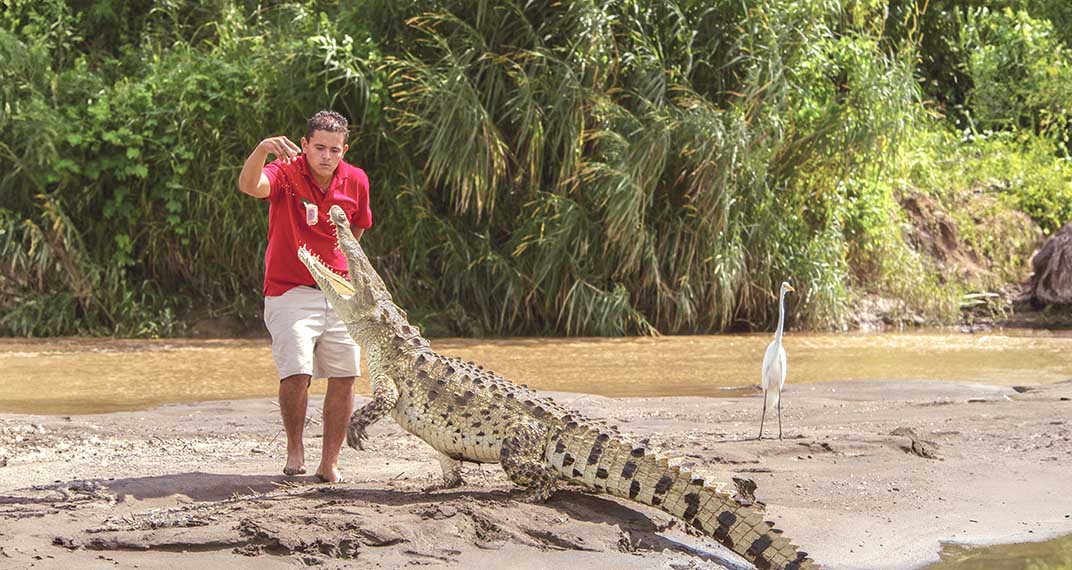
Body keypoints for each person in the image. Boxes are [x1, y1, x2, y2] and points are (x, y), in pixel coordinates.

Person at [237, 110, 373, 483]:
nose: (326, 156)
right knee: (297, 372)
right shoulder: (285, 171)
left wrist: (341, 265)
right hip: (289, 288)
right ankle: (294, 448)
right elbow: (251, 186)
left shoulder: (356, 180)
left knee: (346, 375)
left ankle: (329, 461)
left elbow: (359, 224)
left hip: (340, 290)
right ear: (304, 145)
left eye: (334, 149)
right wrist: (264, 148)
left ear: (344, 149)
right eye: (319, 148)